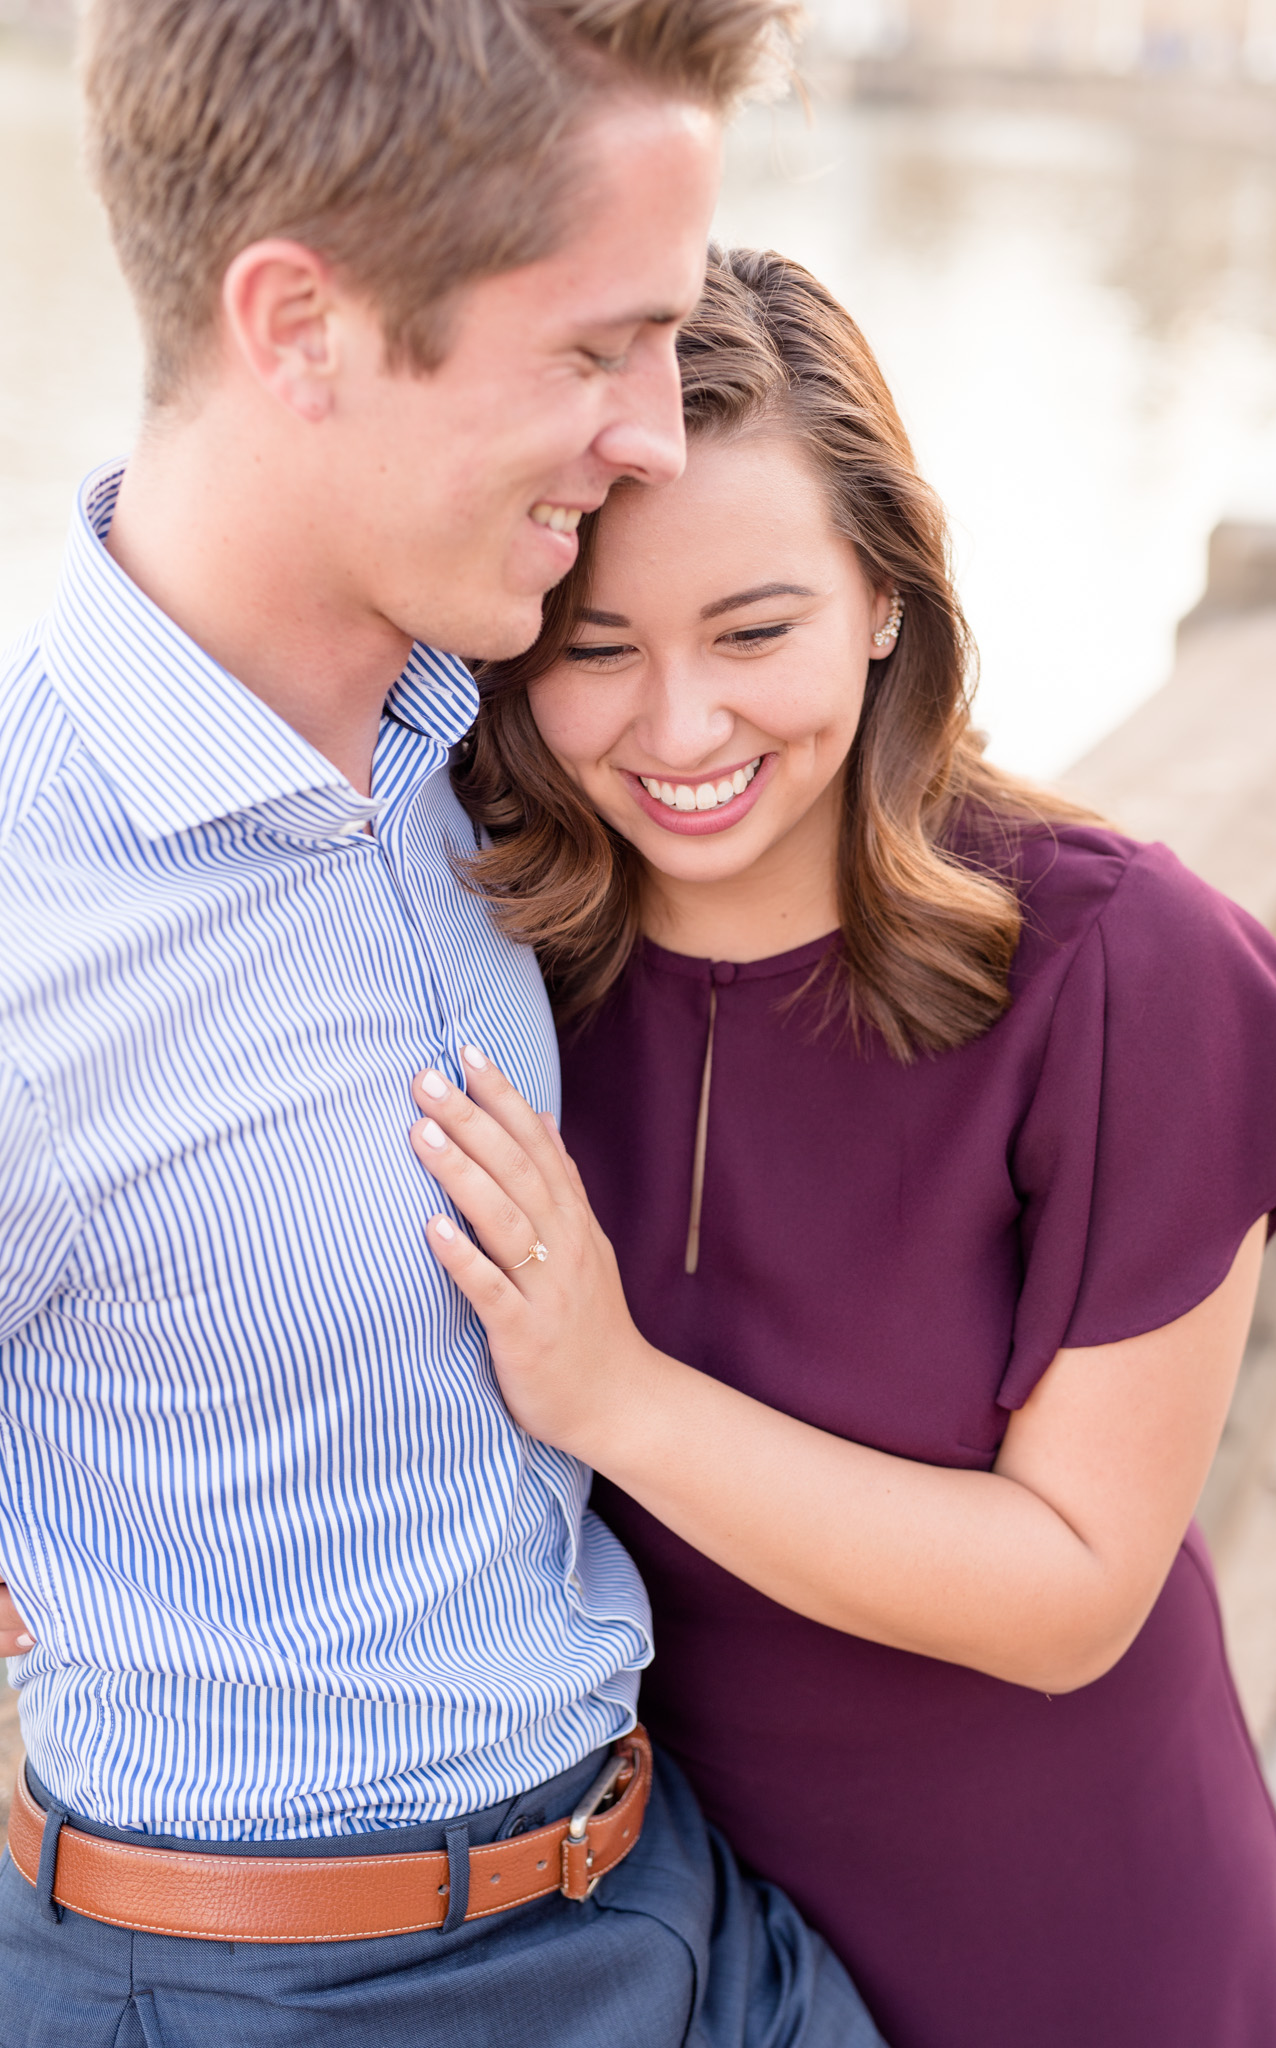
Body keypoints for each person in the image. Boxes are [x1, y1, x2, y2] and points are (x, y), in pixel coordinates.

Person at [0, 12, 888, 2044]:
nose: (655, 432)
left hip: (675, 1907)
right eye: (593, 350)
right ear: (301, 323)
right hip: (272, 1989)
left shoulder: (485, 729)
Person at [407, 246, 1276, 2048]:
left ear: (884, 600)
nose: (679, 726)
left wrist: (613, 1393)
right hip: (656, 1951)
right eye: (595, 649)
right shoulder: (480, 966)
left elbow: (1076, 1586)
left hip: (1072, 1945)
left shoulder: (1116, 969)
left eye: (755, 630)